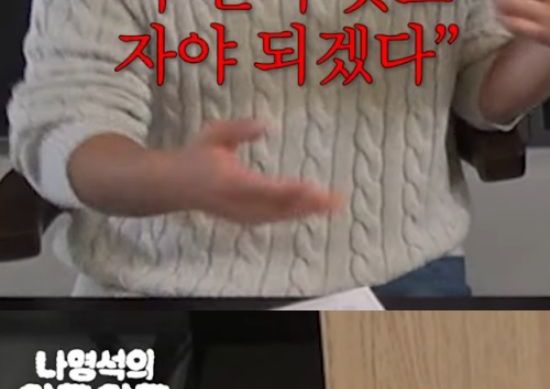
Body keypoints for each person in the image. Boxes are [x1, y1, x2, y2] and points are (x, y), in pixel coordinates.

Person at [7, 0, 550, 298]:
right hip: (159, 286)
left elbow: (484, 94)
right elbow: (65, 130)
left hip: (404, 269)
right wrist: (170, 180)